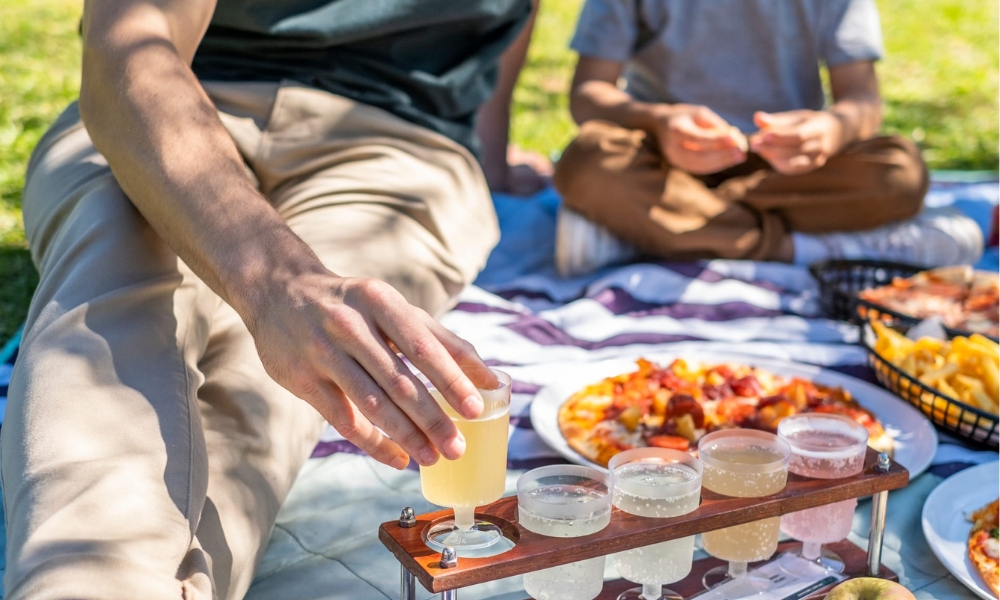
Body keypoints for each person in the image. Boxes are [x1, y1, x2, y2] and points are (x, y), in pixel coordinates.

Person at [1, 1, 534, 598]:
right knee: (102, 330)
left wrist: (493, 145)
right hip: (161, 104)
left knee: (281, 390)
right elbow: (129, 40)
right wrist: (277, 282)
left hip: (400, 146)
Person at [552, 0, 983, 277]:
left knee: (900, 170)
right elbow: (589, 93)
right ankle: (810, 247)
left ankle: (648, 232)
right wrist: (659, 121)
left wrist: (832, 130)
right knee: (588, 161)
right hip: (663, 164)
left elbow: (862, 99)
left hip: (787, 174)